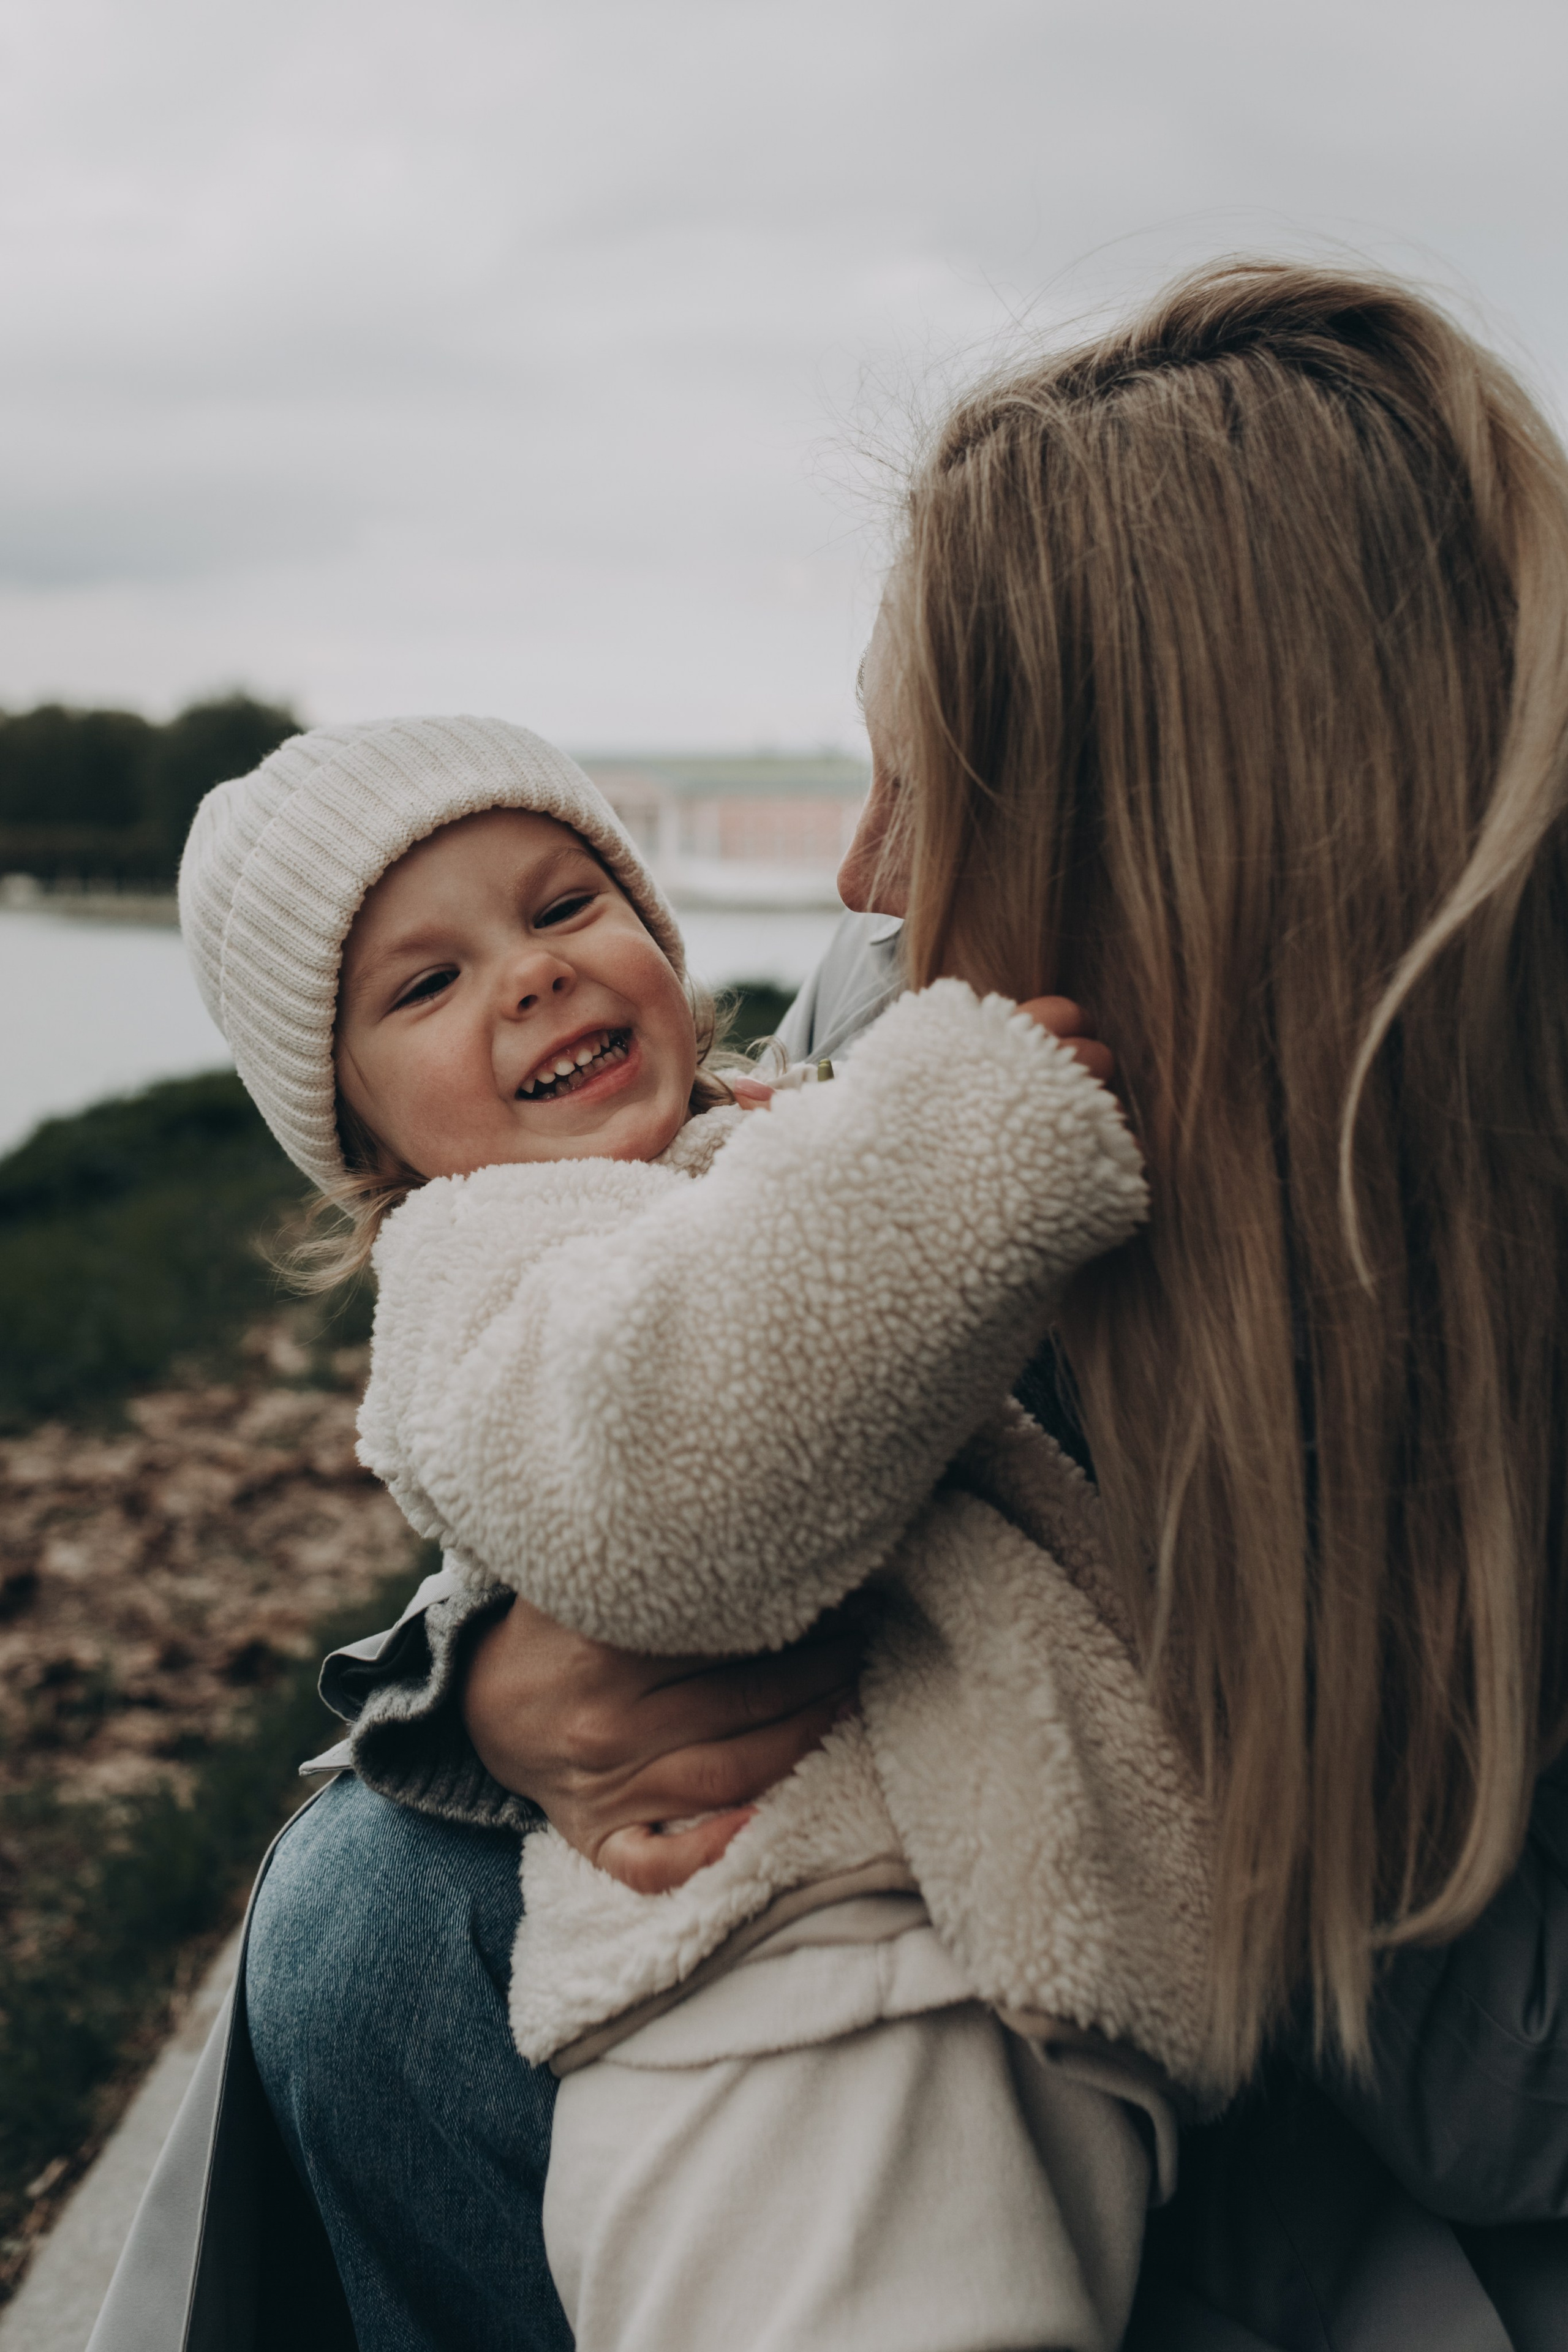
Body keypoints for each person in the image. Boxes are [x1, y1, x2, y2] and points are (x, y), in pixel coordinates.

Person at [91, 257, 1568, 2351]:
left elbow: (1505, 2114)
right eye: (420, 985)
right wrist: (494, 1687)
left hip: (1256, 2052)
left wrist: (1259, 1760)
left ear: (1201, 833)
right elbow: (632, 1410)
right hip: (835, 1988)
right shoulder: (906, 1029)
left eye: (931, 779)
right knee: (367, 1923)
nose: (861, 876)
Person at [178, 707, 1212, 2351]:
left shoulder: (744, 1150)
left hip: (976, 1961)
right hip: (768, 2007)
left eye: (566, 906)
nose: (530, 976)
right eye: (428, 985)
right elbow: (674, 1486)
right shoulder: (486, 1270)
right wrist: (962, 1145)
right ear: (365, 1137)